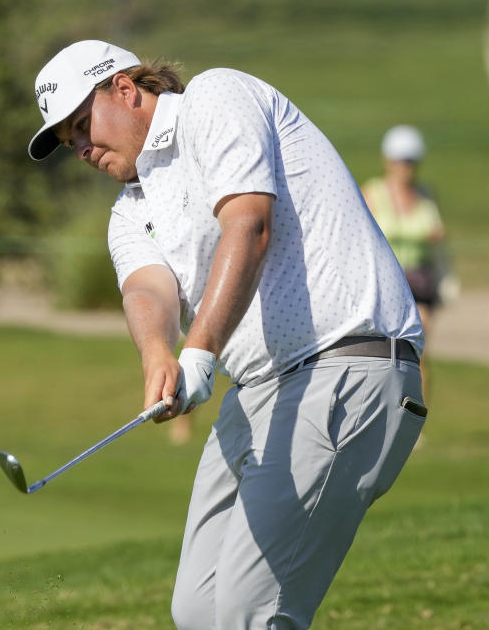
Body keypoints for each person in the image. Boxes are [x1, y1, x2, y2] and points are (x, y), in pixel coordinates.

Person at [27, 40, 427, 629]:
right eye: (70, 142)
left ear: (125, 88)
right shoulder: (129, 208)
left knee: (248, 612)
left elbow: (250, 222)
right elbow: (147, 288)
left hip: (345, 365)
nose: (82, 149)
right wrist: (158, 351)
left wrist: (199, 349)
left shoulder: (215, 98)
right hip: (259, 392)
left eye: (83, 125)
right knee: (199, 609)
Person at [362, 125, 446, 402]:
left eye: (410, 160)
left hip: (419, 281)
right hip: (385, 282)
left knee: (417, 354)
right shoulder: (373, 193)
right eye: (400, 159)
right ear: (388, 160)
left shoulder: (425, 195)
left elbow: (437, 234)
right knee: (383, 354)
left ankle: (414, 420)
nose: (405, 166)